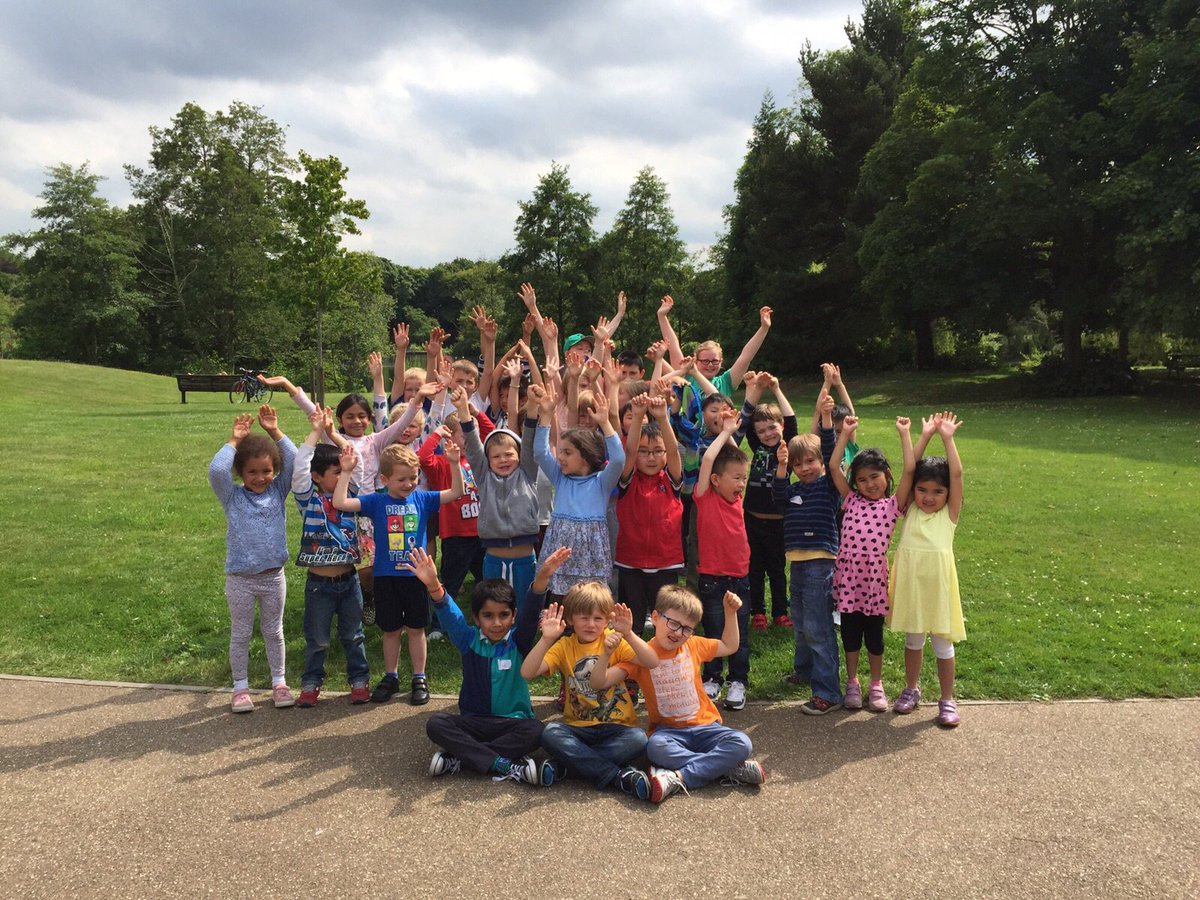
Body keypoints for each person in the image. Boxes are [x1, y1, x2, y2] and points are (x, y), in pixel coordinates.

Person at [400, 546, 572, 785]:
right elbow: (451, 615)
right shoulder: (468, 640)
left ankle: (462, 758)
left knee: (537, 731)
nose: (496, 623)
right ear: (477, 617)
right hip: (474, 722)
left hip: (514, 722)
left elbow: (533, 607)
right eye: (488, 616)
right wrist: (433, 585)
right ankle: (503, 763)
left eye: (504, 615)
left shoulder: (518, 641)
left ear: (514, 616)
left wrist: (542, 576)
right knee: (436, 724)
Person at [591, 584, 765, 803]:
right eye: (673, 623)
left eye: (686, 628)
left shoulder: (693, 645)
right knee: (654, 749)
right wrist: (606, 654)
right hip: (668, 733)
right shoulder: (640, 655)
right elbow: (600, 682)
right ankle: (727, 768)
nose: (678, 633)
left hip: (706, 728)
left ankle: (680, 776)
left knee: (742, 743)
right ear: (655, 617)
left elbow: (729, 646)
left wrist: (730, 614)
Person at [332, 441, 464, 705]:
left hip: (416, 576)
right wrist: (345, 472)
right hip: (386, 577)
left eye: (413, 478)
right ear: (384, 479)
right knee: (390, 630)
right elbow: (341, 502)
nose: (409, 484)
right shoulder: (377, 501)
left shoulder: (423, 498)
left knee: (416, 629)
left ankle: (419, 676)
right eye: (402, 479)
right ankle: (391, 676)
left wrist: (453, 463)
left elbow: (456, 492)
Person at [521, 585, 659, 798]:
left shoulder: (614, 639)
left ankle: (567, 766)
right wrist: (546, 639)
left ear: (607, 620)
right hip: (578, 729)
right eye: (584, 617)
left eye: (598, 618)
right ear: (571, 618)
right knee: (550, 733)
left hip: (618, 727)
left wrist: (629, 634)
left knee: (639, 739)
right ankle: (616, 776)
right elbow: (527, 673)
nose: (591, 624)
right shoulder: (565, 646)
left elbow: (652, 661)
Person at [207, 406, 297, 713]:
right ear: (240, 473)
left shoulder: (279, 491)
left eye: (267, 471)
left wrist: (275, 431)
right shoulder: (232, 496)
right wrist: (234, 441)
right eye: (252, 472)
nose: (260, 478)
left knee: (274, 631)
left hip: (273, 577)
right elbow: (217, 471)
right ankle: (240, 688)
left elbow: (297, 462)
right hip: (241, 579)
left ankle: (279, 682)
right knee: (241, 632)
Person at [826, 415, 916, 713]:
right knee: (850, 636)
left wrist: (904, 434)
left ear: (886, 475)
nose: (869, 484)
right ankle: (852, 683)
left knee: (874, 638)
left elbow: (910, 473)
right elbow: (833, 466)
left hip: (874, 582)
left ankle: (876, 685)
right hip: (848, 581)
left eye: (874, 477)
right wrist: (845, 435)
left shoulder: (892, 506)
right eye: (862, 480)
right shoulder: (850, 500)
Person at [889, 411, 966, 728]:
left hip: (938, 589)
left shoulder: (949, 515)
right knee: (913, 641)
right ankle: (911, 689)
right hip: (912, 586)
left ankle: (947, 699)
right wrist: (917, 436)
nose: (929, 497)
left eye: (937, 491)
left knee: (942, 644)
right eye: (923, 490)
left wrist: (947, 439)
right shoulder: (907, 509)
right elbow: (910, 470)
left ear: (947, 494)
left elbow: (957, 476)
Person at [291, 406, 370, 707]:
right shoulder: (308, 499)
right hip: (318, 585)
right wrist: (315, 432)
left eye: (343, 471)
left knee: (354, 636)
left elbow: (357, 466)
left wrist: (337, 442)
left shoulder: (351, 495)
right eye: (336, 472)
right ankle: (311, 683)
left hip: (349, 582)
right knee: (318, 639)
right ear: (317, 477)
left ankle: (359, 680)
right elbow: (299, 469)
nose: (342, 475)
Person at [773, 389, 843, 714]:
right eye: (799, 464)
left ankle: (827, 691)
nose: (805, 468)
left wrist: (826, 419)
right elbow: (777, 498)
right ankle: (805, 671)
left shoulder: (828, 487)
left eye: (811, 461)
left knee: (817, 627)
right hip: (798, 564)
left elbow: (830, 454)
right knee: (800, 622)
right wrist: (782, 466)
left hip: (821, 563)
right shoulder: (795, 490)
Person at [533, 382, 625, 597]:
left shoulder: (602, 482)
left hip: (590, 555)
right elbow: (539, 453)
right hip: (561, 549)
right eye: (561, 452)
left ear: (586, 454)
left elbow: (619, 459)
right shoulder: (560, 477)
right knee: (558, 595)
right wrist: (546, 416)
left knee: (589, 596)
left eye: (567, 453)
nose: (560, 457)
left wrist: (605, 423)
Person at [454, 386, 542, 603]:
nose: (503, 460)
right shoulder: (484, 477)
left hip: (524, 559)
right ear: (488, 460)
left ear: (519, 456)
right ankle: (495, 637)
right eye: (496, 457)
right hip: (493, 558)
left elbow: (530, 442)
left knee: (523, 606)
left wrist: (532, 406)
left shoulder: (527, 472)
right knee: (495, 606)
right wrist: (464, 411)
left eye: (509, 454)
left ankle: (521, 638)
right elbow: (474, 448)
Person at [692, 412, 752, 710]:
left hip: (739, 578)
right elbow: (708, 461)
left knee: (738, 631)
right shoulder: (705, 495)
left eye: (744, 477)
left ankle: (738, 680)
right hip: (712, 577)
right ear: (716, 480)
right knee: (714, 631)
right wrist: (723, 433)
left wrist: (730, 432)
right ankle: (713, 677)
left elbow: (735, 457)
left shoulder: (737, 498)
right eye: (736, 478)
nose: (742, 483)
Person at [615, 393, 684, 633]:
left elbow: (675, 451)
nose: (651, 457)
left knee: (664, 619)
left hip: (665, 561)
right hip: (630, 561)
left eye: (657, 451)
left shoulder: (671, 480)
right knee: (631, 621)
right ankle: (630, 665)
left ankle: (663, 663)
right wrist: (637, 416)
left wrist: (663, 417)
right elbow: (630, 450)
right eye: (645, 452)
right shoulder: (628, 480)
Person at [740, 371, 797, 632]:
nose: (767, 434)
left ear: (781, 427)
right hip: (752, 518)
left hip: (779, 521)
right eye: (761, 431)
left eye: (772, 427)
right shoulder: (757, 446)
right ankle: (758, 612)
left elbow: (791, 419)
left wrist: (776, 388)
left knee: (776, 568)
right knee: (755, 568)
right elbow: (747, 418)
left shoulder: (789, 448)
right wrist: (754, 388)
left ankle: (780, 611)